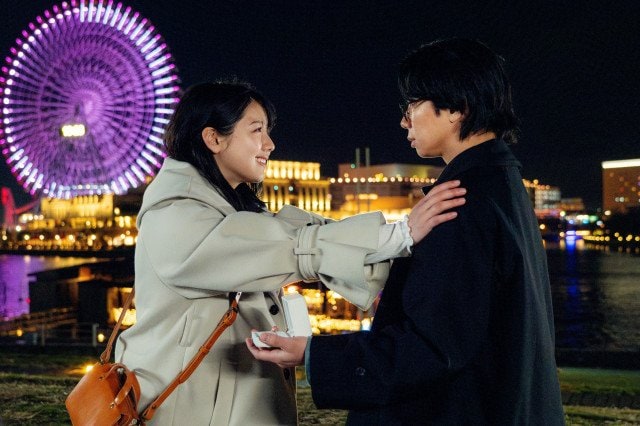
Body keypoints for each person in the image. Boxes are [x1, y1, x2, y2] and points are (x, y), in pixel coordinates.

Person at [248, 38, 565, 425]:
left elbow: (433, 346)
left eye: (413, 104)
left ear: (457, 107)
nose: (404, 121)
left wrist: (311, 354)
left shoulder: (457, 202)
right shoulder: (501, 184)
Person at [114, 80, 466, 425]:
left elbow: (303, 234)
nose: (269, 144)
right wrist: (399, 234)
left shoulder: (229, 212)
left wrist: (408, 245)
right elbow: (294, 245)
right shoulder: (174, 216)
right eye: (257, 130)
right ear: (214, 138)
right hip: (189, 412)